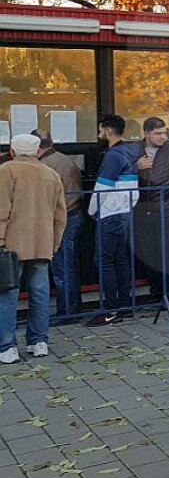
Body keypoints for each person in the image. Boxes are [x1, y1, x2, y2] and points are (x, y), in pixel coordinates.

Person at [0, 135, 67, 363]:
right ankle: (39, 341)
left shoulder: (6, 171)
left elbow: (2, 211)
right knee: (40, 293)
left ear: (12, 151)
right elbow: (60, 215)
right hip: (42, 243)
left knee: (8, 295)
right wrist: (54, 242)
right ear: (38, 151)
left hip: (11, 245)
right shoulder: (51, 174)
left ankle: (7, 347)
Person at [87, 114, 141, 327]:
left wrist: (92, 210)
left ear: (108, 131)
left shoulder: (113, 155)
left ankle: (110, 310)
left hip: (110, 213)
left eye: (101, 130)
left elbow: (102, 187)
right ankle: (125, 306)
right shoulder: (130, 152)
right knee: (120, 259)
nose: (99, 133)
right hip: (125, 211)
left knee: (103, 260)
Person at [133, 117, 169, 302]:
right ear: (147, 133)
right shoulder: (135, 150)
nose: (163, 136)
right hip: (142, 210)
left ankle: (168, 292)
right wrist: (135, 167)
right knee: (147, 253)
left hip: (168, 208)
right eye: (158, 133)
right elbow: (122, 174)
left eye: (165, 133)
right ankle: (156, 292)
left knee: (168, 253)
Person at [33, 130, 83, 319]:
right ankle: (71, 308)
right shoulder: (64, 159)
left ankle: (68, 312)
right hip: (74, 214)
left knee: (62, 268)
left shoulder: (44, 166)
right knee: (67, 265)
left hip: (62, 219)